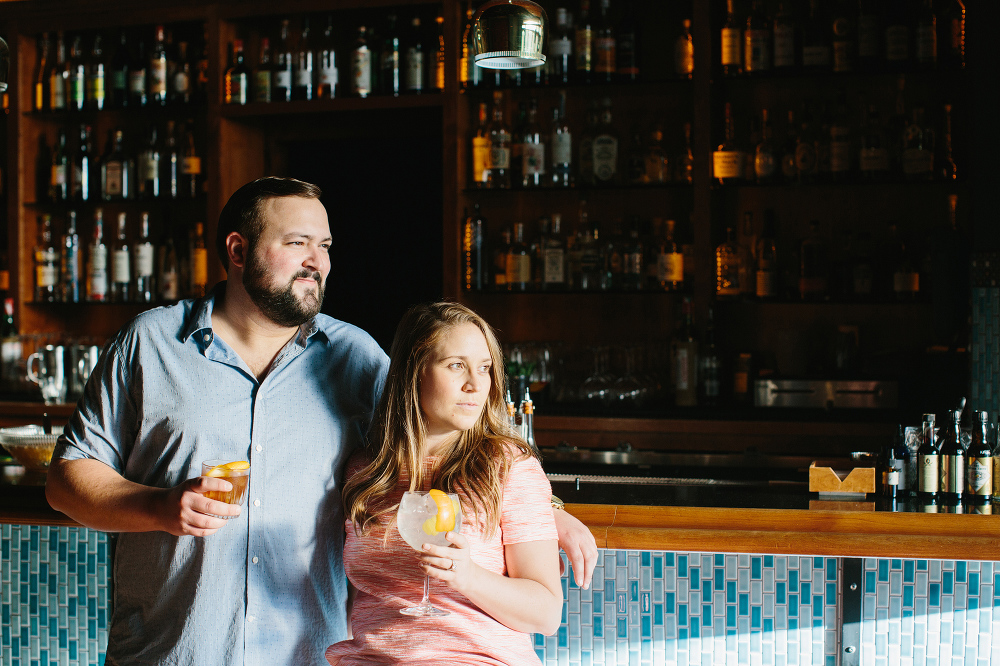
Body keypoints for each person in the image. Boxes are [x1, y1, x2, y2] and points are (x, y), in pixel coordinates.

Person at [45, 177, 597, 666]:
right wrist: (160, 507)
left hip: (308, 654)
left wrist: (544, 512)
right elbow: (68, 479)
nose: (318, 260)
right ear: (238, 250)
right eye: (296, 243)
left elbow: (442, 430)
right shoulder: (150, 344)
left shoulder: (353, 356)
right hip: (175, 650)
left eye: (325, 245)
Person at [327, 302, 562, 665]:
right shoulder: (365, 470)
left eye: (484, 369)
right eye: (456, 366)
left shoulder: (509, 468)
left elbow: (545, 614)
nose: (475, 384)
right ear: (414, 372)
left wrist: (468, 576)